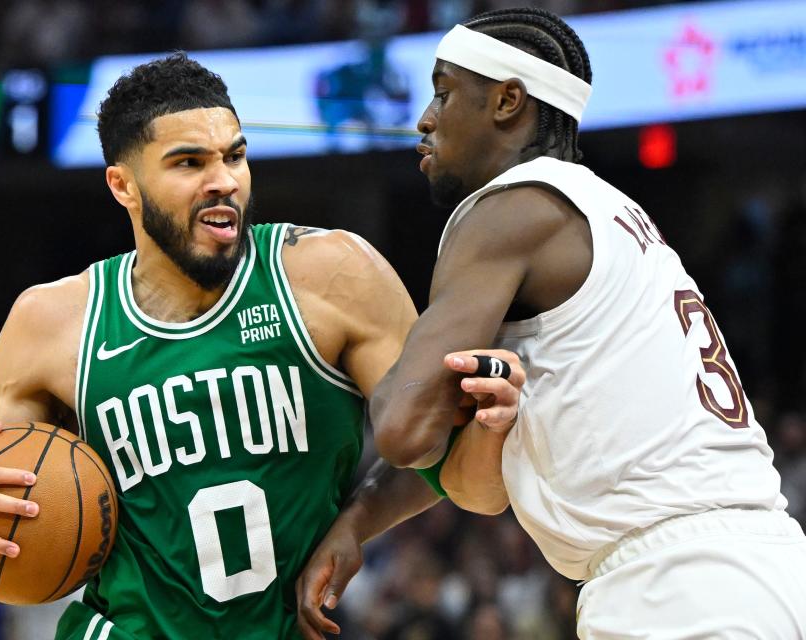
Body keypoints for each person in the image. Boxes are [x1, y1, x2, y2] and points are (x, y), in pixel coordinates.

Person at [0, 54, 524, 639]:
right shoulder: (49, 323)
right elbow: (12, 532)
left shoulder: (333, 276)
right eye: (190, 162)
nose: (224, 180)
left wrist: (367, 515)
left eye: (235, 156)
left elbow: (467, 485)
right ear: (122, 186)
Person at [298, 7, 806, 639]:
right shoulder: (609, 210)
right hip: (760, 562)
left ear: (508, 102)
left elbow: (403, 428)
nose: (425, 119)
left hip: (676, 582)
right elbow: (455, 468)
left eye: (444, 93)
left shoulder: (509, 207)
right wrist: (358, 522)